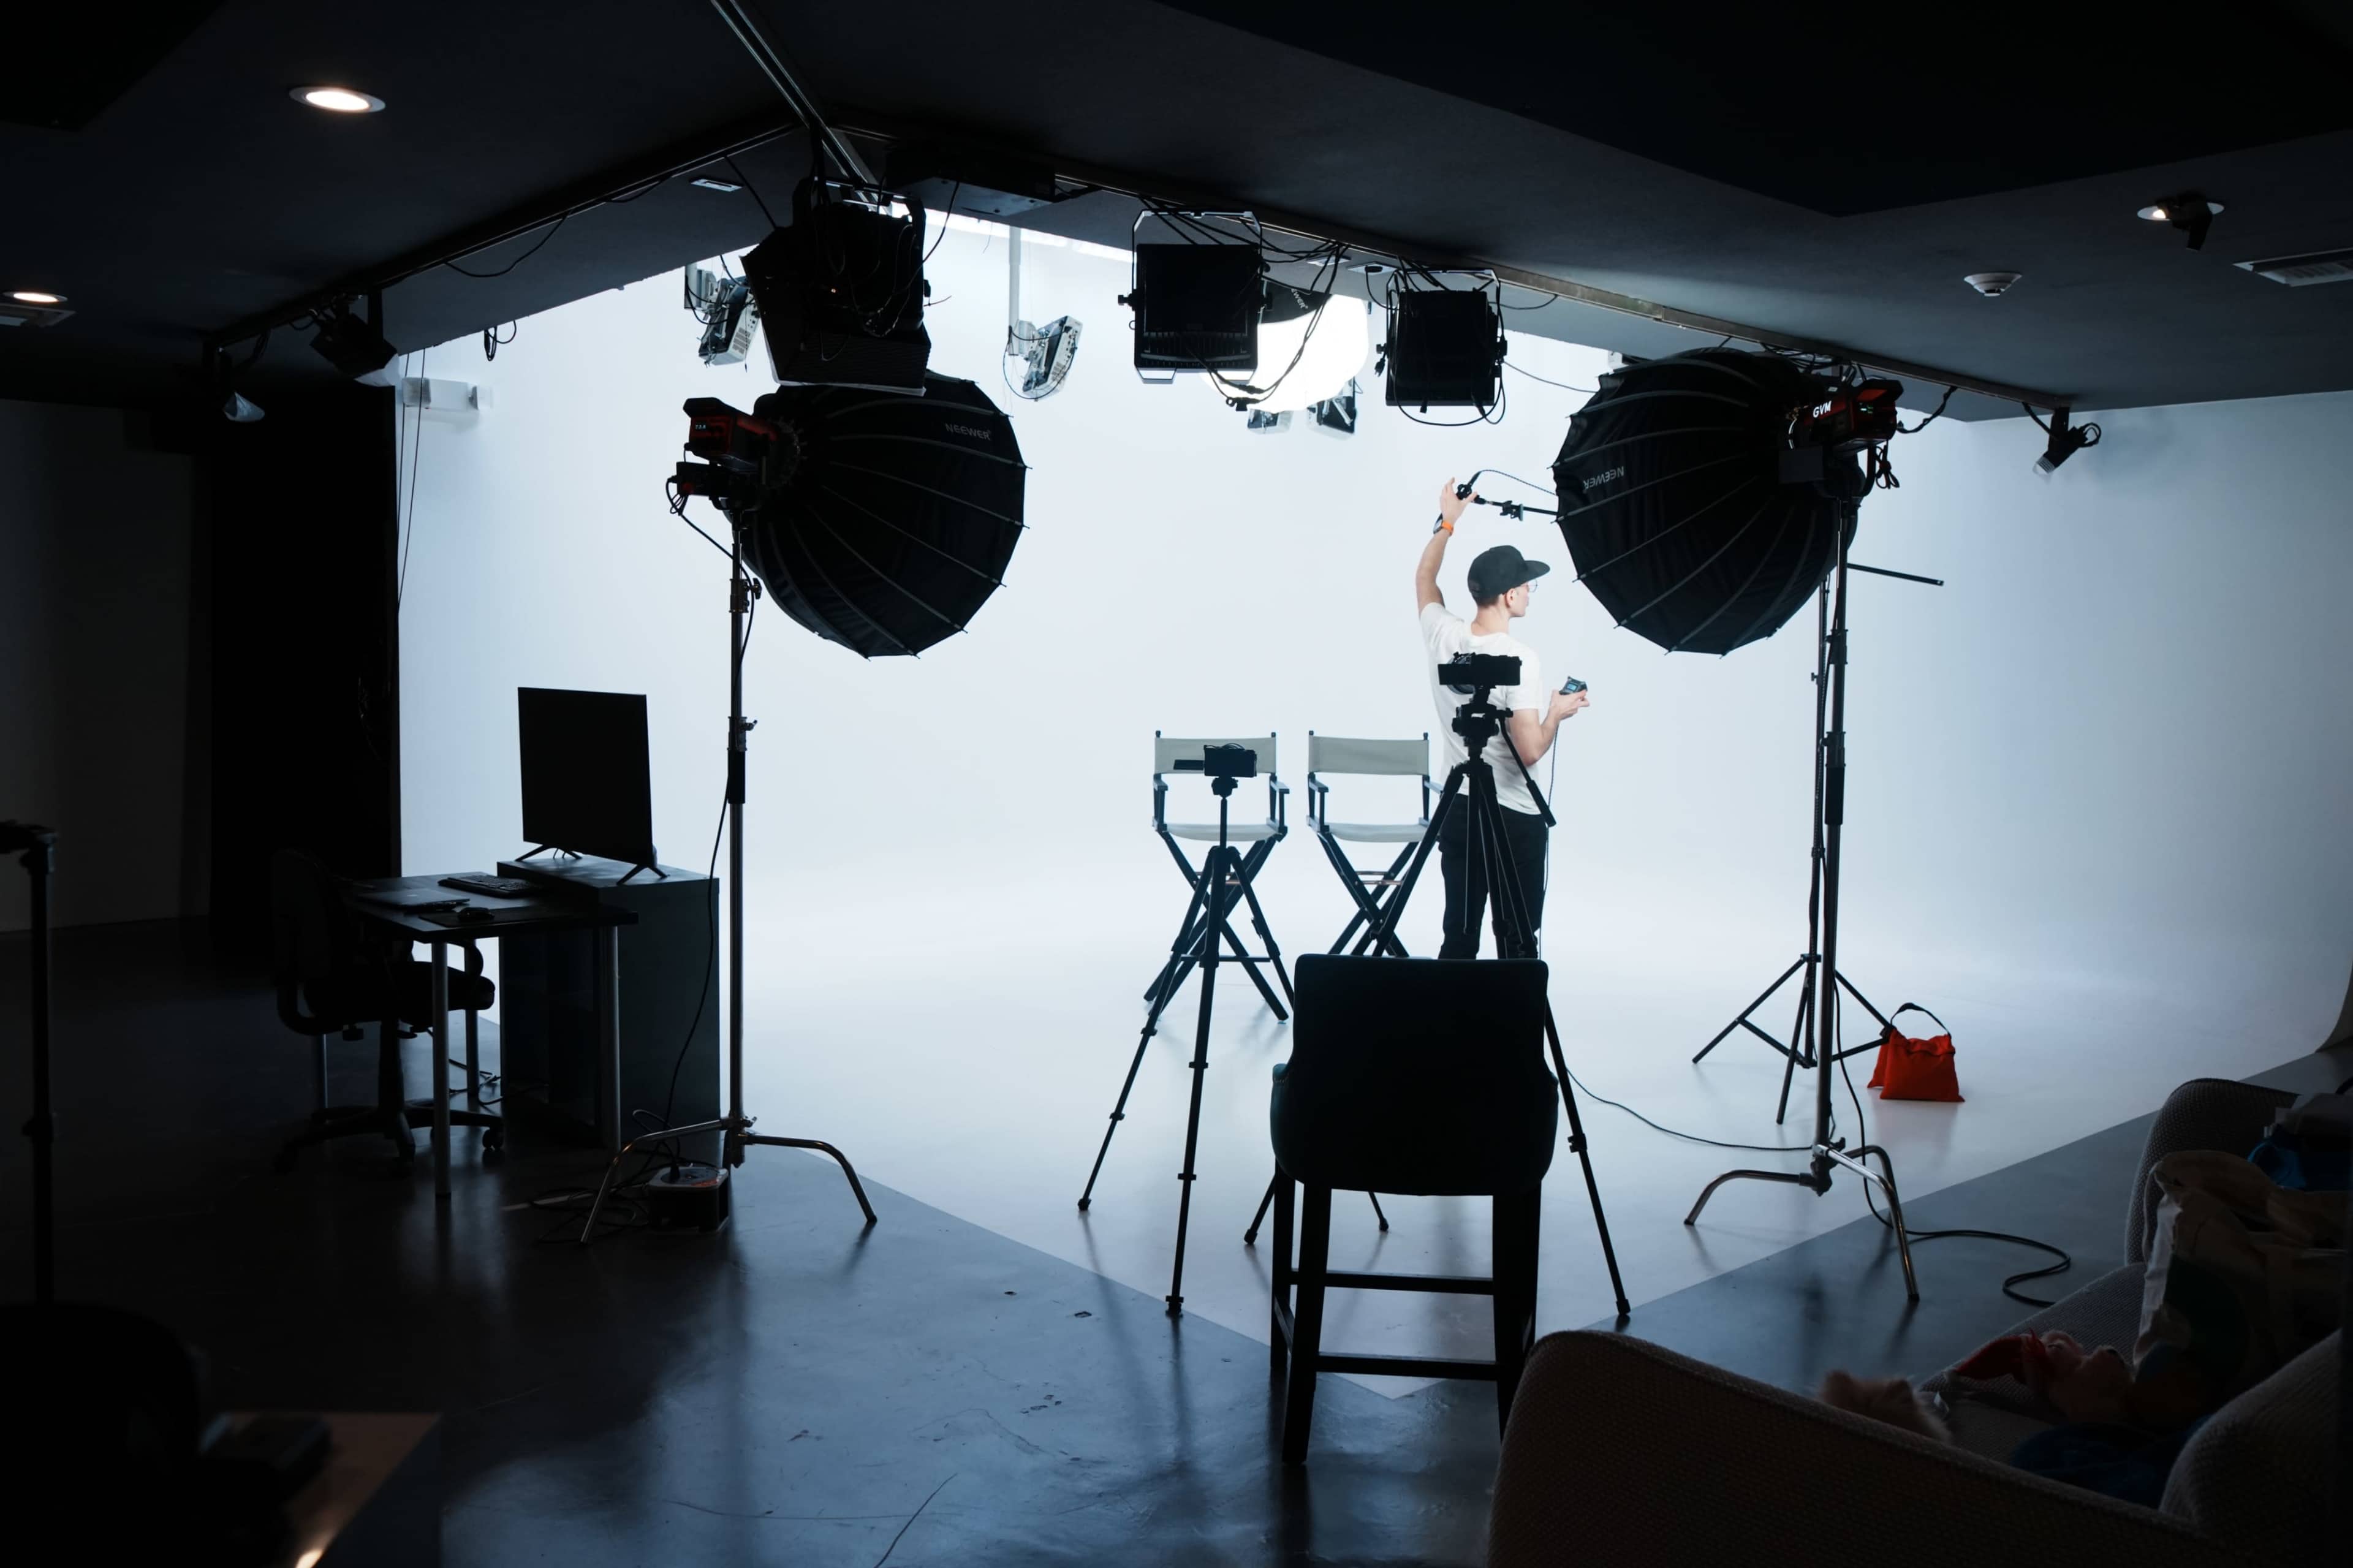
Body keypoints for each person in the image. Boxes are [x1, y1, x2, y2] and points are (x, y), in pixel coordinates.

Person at [1414, 477, 1588, 959]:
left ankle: (1453, 1009)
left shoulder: (1442, 635)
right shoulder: (1520, 659)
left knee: (1459, 936)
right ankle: (1514, 1009)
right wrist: (1557, 713)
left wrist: (1448, 523)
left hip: (1458, 808)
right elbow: (1529, 750)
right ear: (1509, 597)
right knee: (1517, 941)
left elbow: (1424, 578)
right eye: (1526, 585)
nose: (1530, 591)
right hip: (1512, 817)